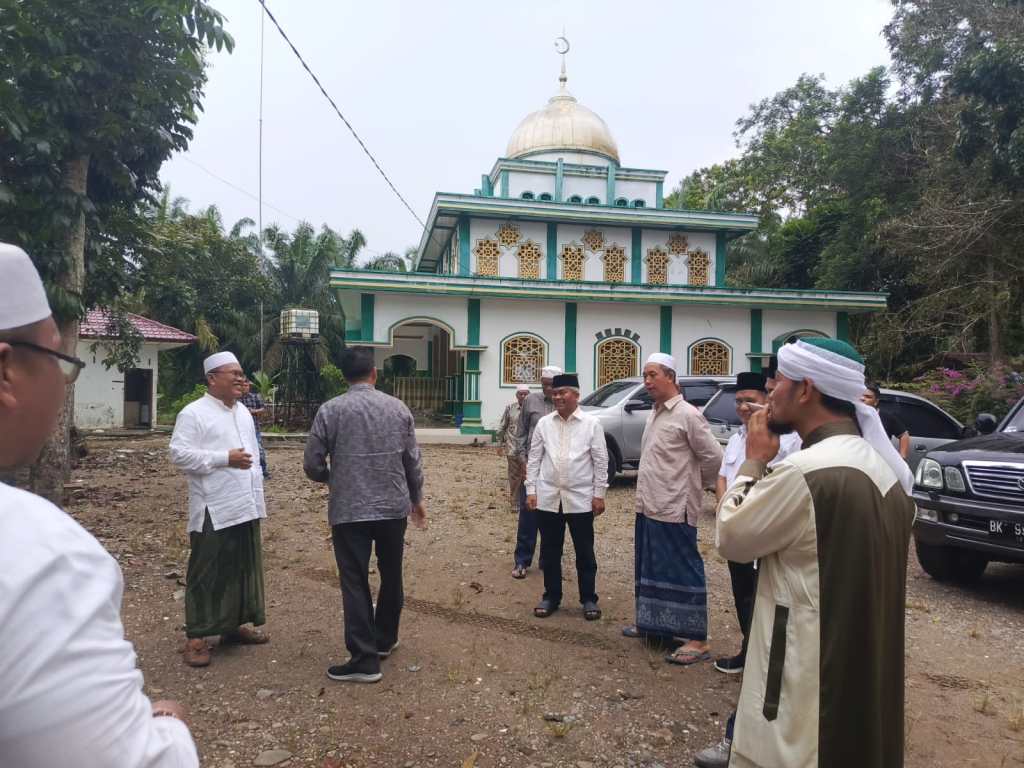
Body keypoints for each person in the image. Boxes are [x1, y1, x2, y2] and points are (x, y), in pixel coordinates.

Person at [0, 243, 199, 766]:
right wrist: (168, 727)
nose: (64, 386)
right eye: (64, 363)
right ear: (5, 371)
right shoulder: (37, 554)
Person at [715, 338, 915, 768]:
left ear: (805, 390)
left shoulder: (806, 472)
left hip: (805, 673)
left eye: (778, 384)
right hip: (861, 671)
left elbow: (731, 535)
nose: (770, 396)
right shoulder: (882, 471)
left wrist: (753, 462)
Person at [303, 346, 426, 683]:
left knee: (355, 580)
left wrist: (332, 477)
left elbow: (312, 463)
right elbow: (412, 461)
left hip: (349, 509)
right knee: (392, 573)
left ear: (344, 376)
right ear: (374, 374)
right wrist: (416, 498)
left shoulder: (330, 411)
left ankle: (364, 658)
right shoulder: (398, 409)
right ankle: (385, 639)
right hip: (392, 508)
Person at [170, 350, 269, 668]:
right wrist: (223, 458)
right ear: (212, 379)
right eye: (233, 374)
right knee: (207, 571)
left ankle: (232, 625)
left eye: (242, 374)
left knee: (241, 567)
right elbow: (179, 455)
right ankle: (196, 637)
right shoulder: (193, 413)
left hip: (245, 501)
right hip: (215, 504)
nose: (241, 379)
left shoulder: (242, 412)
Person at [623, 353, 723, 665]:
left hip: (675, 507)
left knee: (682, 569)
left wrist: (694, 486)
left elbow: (714, 458)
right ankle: (654, 626)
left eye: (653, 375)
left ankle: (697, 639)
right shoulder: (656, 412)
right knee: (651, 566)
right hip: (649, 504)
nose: (647, 382)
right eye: (645, 376)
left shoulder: (688, 415)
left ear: (671, 376)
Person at [712, 371, 802, 676]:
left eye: (750, 400)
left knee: (764, 597)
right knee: (742, 593)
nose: (743, 407)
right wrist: (726, 506)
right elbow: (724, 474)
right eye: (738, 401)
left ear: (767, 400)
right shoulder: (739, 436)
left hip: (763, 528)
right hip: (738, 526)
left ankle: (764, 661)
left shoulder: (786, 440)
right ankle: (748, 650)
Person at [526, 372, 608, 620]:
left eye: (564, 392)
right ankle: (551, 596)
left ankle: (588, 599)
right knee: (550, 551)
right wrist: (531, 490)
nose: (558, 396)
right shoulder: (544, 423)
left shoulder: (591, 424)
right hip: (549, 497)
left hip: (580, 498)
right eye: (556, 392)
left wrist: (599, 494)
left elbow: (600, 461)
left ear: (576, 395)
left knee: (584, 551)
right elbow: (534, 459)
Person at [511, 364, 562, 578]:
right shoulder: (531, 401)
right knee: (528, 516)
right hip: (531, 467)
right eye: (544, 385)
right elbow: (521, 433)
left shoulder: (565, 402)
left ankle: (549, 561)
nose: (548, 390)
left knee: (554, 518)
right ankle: (522, 561)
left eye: (551, 385)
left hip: (555, 471)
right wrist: (522, 461)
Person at [496, 383, 530, 511]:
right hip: (512, 448)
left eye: (526, 394)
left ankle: (526, 500)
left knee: (526, 475)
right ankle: (515, 502)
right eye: (521, 394)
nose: (523, 396)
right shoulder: (510, 408)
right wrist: (499, 444)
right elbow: (502, 427)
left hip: (527, 449)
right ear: (516, 396)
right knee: (514, 476)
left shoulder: (532, 410)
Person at [863, 382, 910, 459]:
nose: (862, 398)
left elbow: (904, 435)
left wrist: (902, 456)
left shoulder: (887, 417)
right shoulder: (852, 416)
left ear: (876, 402)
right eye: (860, 395)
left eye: (868, 397)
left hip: (880, 461)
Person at [240, 378, 271, 478]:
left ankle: (263, 470)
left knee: (259, 450)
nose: (245, 387)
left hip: (254, 429)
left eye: (246, 385)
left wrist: (252, 411)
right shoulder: (236, 399)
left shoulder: (255, 397)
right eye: (243, 385)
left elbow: (264, 409)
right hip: (240, 430)